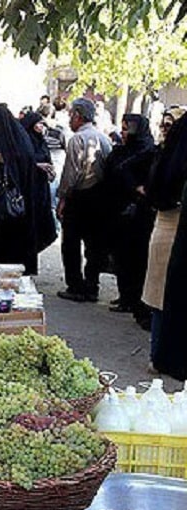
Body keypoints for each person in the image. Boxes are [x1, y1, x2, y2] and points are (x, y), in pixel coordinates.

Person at [0, 103, 56, 275]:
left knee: (12, 248)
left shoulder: (15, 137)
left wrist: (0, 157)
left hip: (13, 203)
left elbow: (23, 160)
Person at [56, 98, 113, 302]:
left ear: (77, 116)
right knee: (94, 245)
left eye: (71, 114)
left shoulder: (77, 139)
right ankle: (91, 285)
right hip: (99, 198)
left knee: (70, 243)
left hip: (79, 197)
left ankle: (76, 286)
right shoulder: (104, 139)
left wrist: (62, 199)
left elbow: (70, 175)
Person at [103, 115, 157, 324]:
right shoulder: (122, 151)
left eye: (127, 129)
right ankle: (125, 296)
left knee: (136, 259)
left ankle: (135, 299)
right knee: (121, 257)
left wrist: (134, 186)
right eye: (122, 129)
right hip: (118, 211)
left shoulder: (147, 151)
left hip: (138, 215)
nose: (123, 133)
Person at [144, 111, 187, 374]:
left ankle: (160, 355)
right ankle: (159, 355)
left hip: (166, 228)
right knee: (164, 297)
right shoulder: (171, 157)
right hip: (171, 229)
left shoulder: (168, 152)